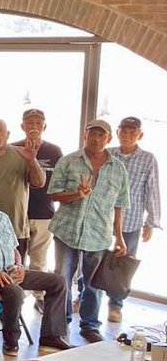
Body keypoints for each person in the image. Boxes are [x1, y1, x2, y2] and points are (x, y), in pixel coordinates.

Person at [0, 178, 73, 354]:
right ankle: (11, 341)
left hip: (11, 270)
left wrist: (19, 266)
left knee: (57, 281)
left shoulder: (2, 217)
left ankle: (51, 336)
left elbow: (14, 248)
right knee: (14, 291)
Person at [48, 120, 129, 343]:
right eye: (92, 134)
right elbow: (53, 194)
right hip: (67, 231)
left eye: (101, 135)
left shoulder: (118, 169)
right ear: (85, 136)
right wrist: (76, 194)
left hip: (99, 234)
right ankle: (61, 324)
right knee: (62, 279)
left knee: (94, 284)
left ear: (109, 139)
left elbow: (120, 205)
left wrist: (119, 237)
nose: (96, 139)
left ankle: (90, 326)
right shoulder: (68, 161)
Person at [106, 116, 159, 322]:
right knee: (94, 259)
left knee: (123, 264)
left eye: (132, 132)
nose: (127, 135)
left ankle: (116, 305)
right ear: (117, 133)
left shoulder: (148, 159)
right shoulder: (108, 153)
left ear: (140, 135)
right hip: (101, 218)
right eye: (123, 131)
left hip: (132, 219)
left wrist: (151, 222)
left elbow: (152, 190)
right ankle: (84, 298)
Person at [0, 118, 45, 250]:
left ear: (7, 134)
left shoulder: (22, 154)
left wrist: (32, 161)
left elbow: (39, 182)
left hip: (15, 227)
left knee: (16, 269)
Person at [13, 109, 63, 286]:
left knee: (39, 259)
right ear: (23, 126)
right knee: (16, 260)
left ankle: (40, 296)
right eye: (30, 123)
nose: (34, 127)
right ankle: (18, 298)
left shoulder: (54, 151)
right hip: (18, 214)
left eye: (38, 123)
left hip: (44, 213)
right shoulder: (14, 148)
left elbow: (60, 182)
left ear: (44, 126)